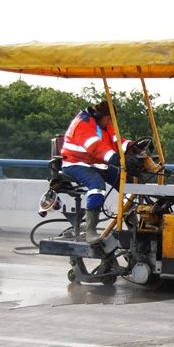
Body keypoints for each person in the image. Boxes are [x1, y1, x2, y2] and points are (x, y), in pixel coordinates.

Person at [60, 101, 133, 244]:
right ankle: (90, 231)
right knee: (97, 185)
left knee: (129, 184)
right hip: (75, 163)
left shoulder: (104, 125)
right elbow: (95, 147)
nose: (111, 122)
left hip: (96, 164)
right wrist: (115, 159)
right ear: (103, 116)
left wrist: (133, 146)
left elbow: (116, 142)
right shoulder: (82, 123)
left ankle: (133, 227)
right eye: (110, 119)